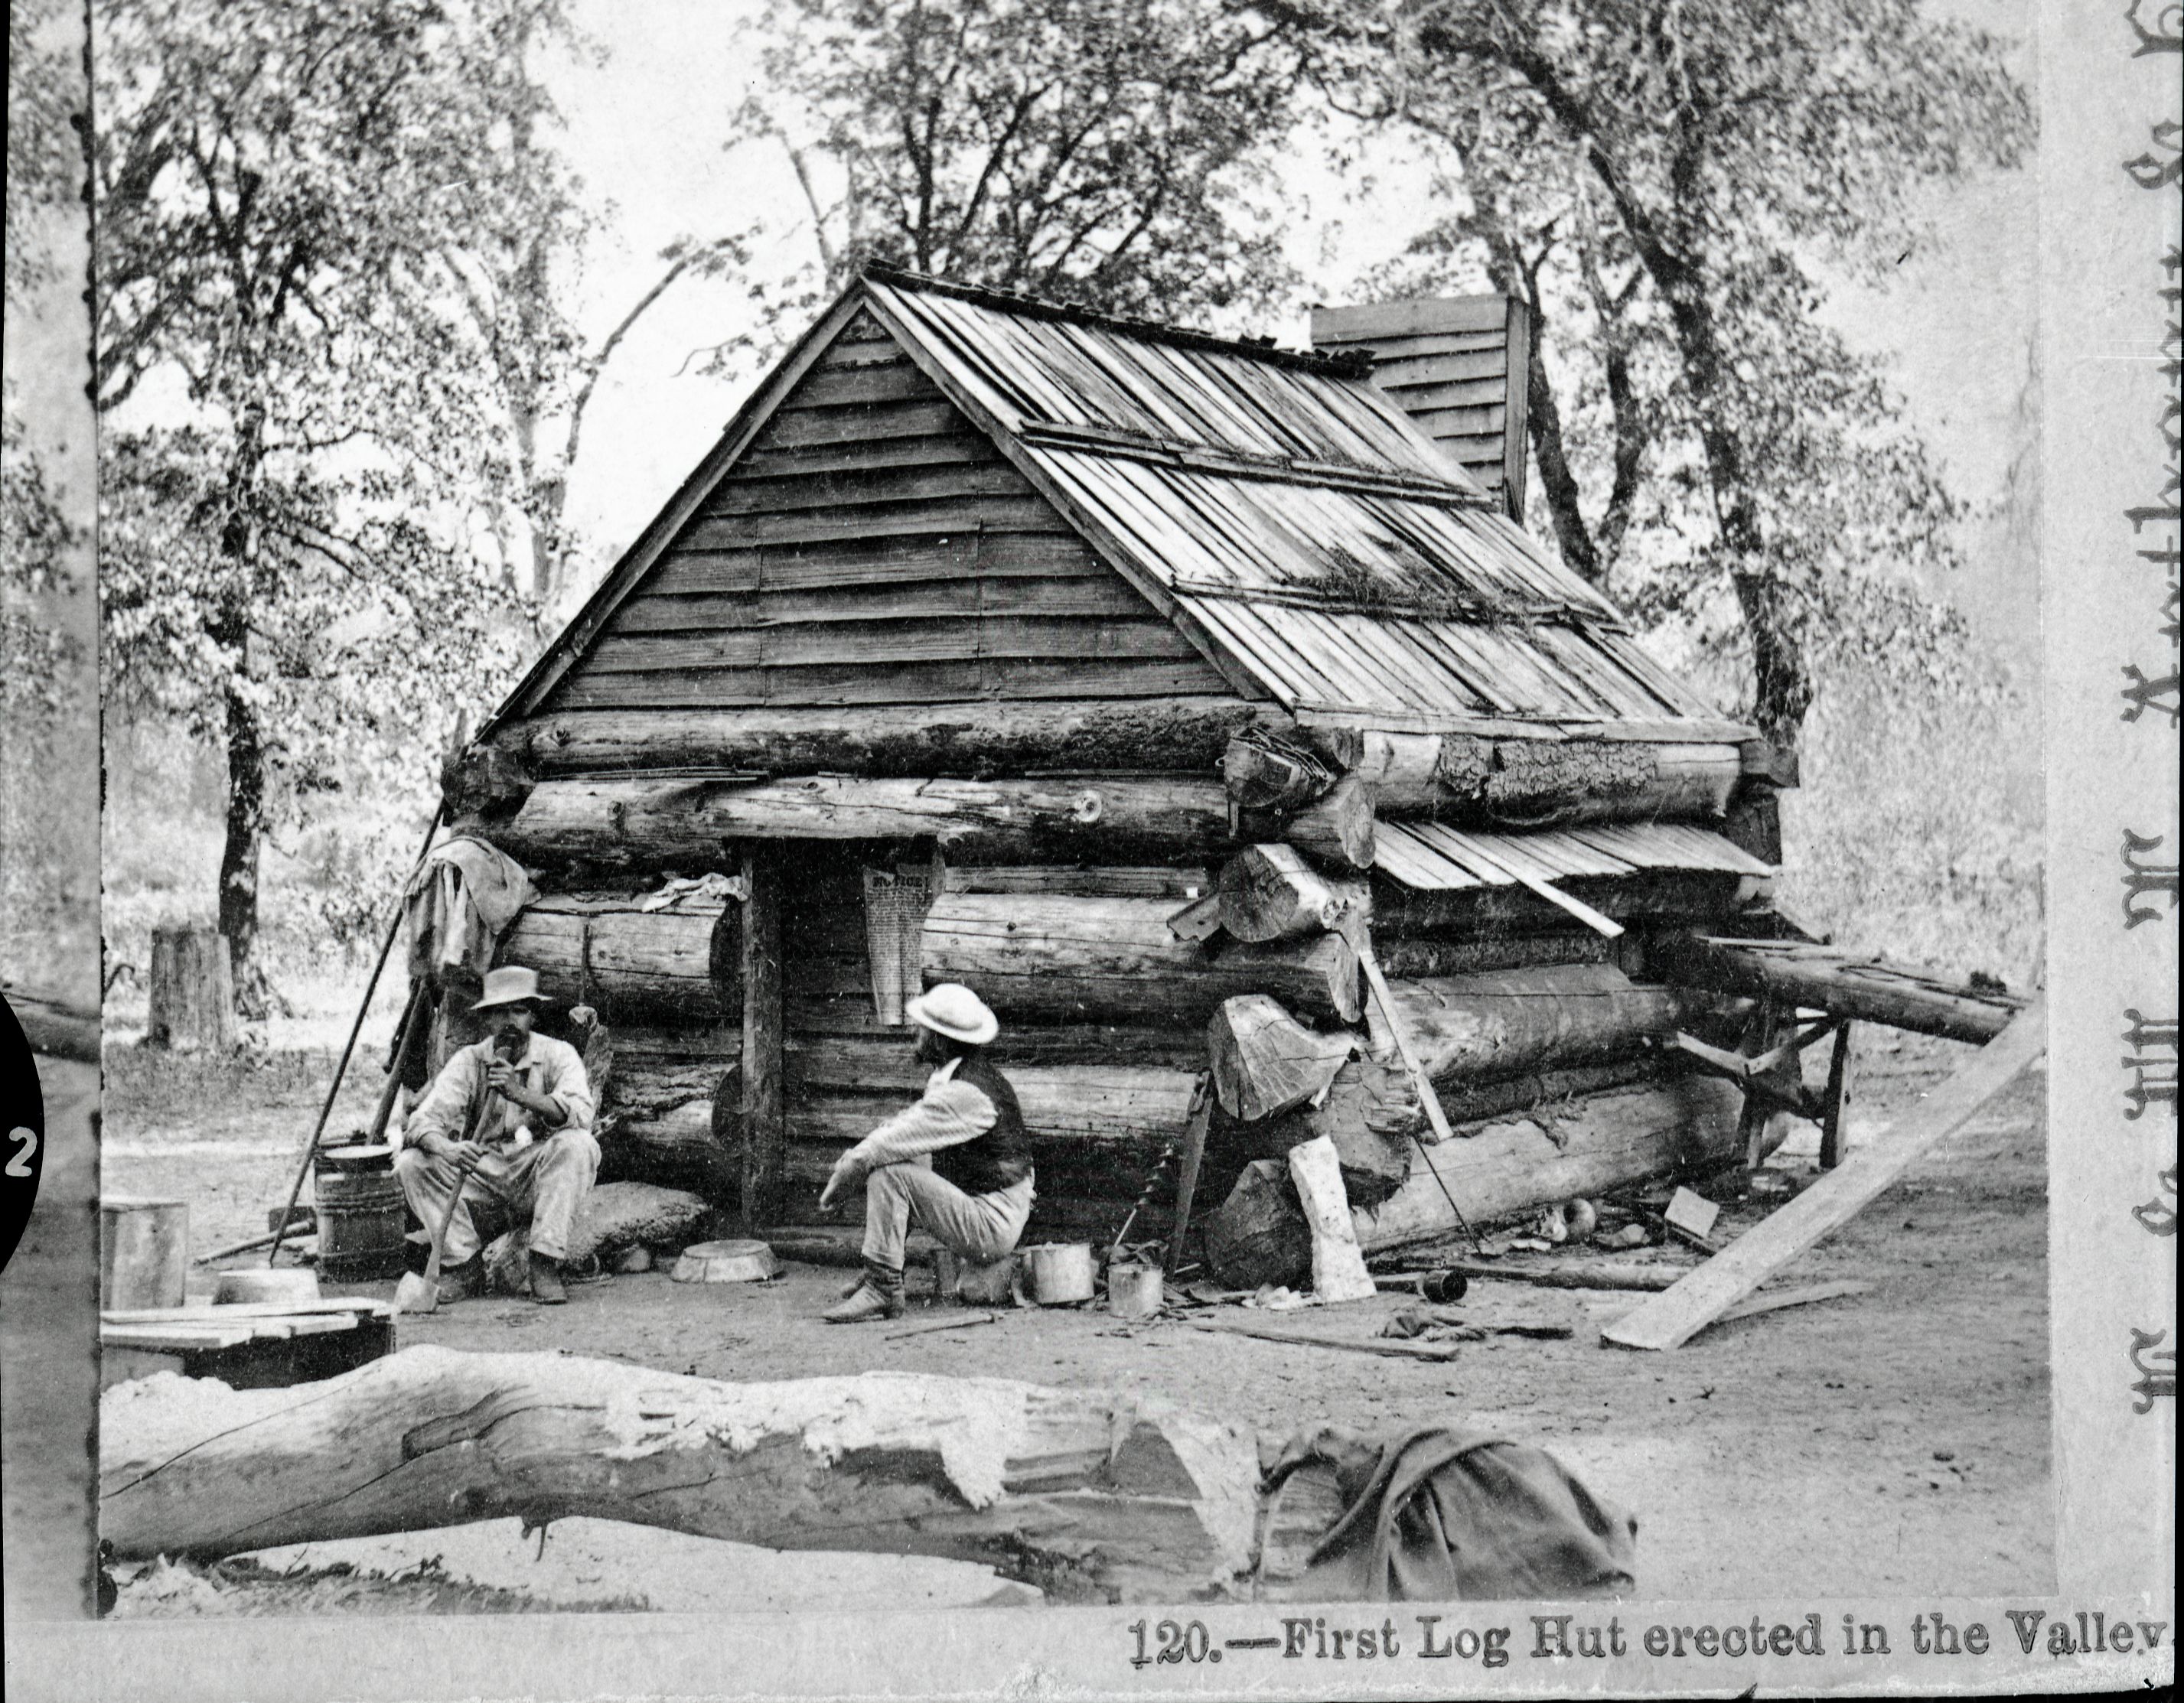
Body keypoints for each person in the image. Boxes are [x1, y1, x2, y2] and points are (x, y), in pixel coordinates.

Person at [817, 982, 1034, 1323]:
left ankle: (883, 1286)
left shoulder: (966, 1092)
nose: (915, 1033)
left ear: (939, 1039)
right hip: (984, 1202)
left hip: (993, 1223)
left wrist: (844, 1176)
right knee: (897, 1160)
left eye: (922, 1028)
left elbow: (886, 1144)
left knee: (889, 1172)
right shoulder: (955, 1076)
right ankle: (885, 1267)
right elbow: (902, 1130)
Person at [394, 965, 598, 1305]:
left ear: (531, 1016)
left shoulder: (557, 1054)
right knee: (411, 1164)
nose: (509, 1021)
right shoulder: (470, 1061)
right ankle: (463, 1266)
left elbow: (582, 1114)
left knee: (579, 1145)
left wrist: (520, 1094)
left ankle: (544, 1264)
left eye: (518, 1010)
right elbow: (420, 1121)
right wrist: (448, 1148)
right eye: (500, 1011)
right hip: (482, 1174)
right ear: (486, 1019)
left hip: (534, 1173)